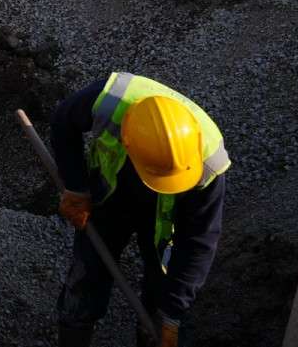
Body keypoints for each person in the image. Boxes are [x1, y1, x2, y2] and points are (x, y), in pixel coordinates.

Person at [50, 72, 229, 347]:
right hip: (110, 196)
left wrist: (171, 314)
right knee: (86, 276)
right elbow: (63, 122)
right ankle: (74, 329)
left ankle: (153, 331)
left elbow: (199, 243)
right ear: (127, 140)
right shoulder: (110, 102)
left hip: (165, 219)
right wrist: (76, 187)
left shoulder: (209, 167)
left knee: (162, 290)